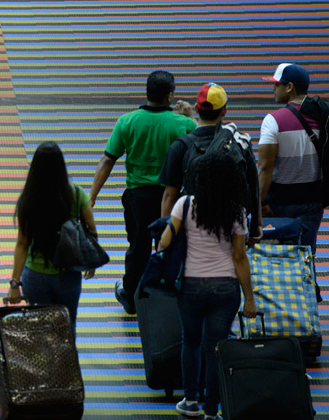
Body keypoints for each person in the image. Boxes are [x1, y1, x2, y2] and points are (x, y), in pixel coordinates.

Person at [158, 151, 257, 420]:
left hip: (191, 286)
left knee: (191, 342)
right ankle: (212, 411)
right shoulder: (237, 211)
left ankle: (191, 401)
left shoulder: (184, 205)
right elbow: (240, 258)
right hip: (225, 289)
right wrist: (249, 298)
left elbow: (164, 242)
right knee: (215, 348)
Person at [89, 70, 197, 314]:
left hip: (137, 198)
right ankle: (166, 295)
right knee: (169, 245)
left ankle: (131, 296)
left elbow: (107, 160)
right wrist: (191, 117)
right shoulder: (184, 124)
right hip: (172, 197)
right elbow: (203, 143)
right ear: (170, 95)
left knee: (138, 246)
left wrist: (92, 197)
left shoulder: (127, 121)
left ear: (147, 92)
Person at [7, 141, 99, 340]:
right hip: (68, 274)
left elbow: (22, 244)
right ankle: (67, 360)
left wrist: (14, 284)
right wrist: (90, 261)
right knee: (67, 326)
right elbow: (91, 229)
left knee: (40, 330)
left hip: (36, 276)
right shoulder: (76, 195)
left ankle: (44, 360)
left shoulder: (29, 200)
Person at [159, 83, 262, 241]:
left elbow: (169, 196)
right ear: (224, 110)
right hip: (231, 229)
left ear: (196, 109)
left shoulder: (181, 146)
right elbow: (253, 186)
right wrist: (256, 225)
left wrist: (165, 235)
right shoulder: (240, 142)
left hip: (193, 230)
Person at [258, 64, 324, 250]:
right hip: (313, 201)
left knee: (277, 255)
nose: (273, 89)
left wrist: (260, 203)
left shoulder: (273, 120)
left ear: (289, 87)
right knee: (306, 251)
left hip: (279, 202)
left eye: (277, 84)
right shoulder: (325, 117)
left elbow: (265, 168)